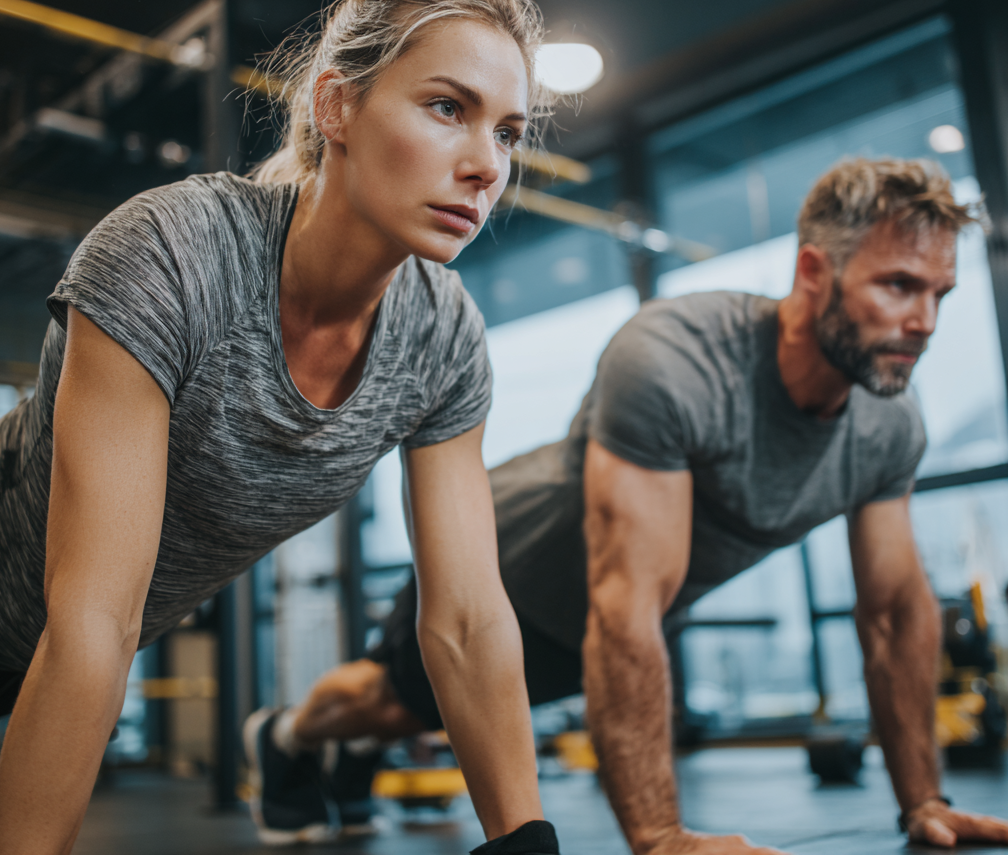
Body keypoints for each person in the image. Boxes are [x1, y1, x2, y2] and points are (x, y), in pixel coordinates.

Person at [251, 158, 1008, 854]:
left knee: (403, 718)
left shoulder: (887, 422)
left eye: (940, 295)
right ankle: (286, 735)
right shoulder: (679, 357)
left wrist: (924, 803)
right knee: (387, 704)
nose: (926, 322)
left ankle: (347, 754)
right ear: (814, 271)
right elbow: (625, 604)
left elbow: (892, 613)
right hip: (506, 563)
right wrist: (658, 837)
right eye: (899, 286)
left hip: (612, 612)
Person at [0, 0, 562, 855]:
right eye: (448, 108)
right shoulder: (173, 256)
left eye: (508, 132)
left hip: (28, 655)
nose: (486, 164)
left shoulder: (443, 339)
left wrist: (526, 844)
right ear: (336, 105)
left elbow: (467, 619)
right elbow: (97, 616)